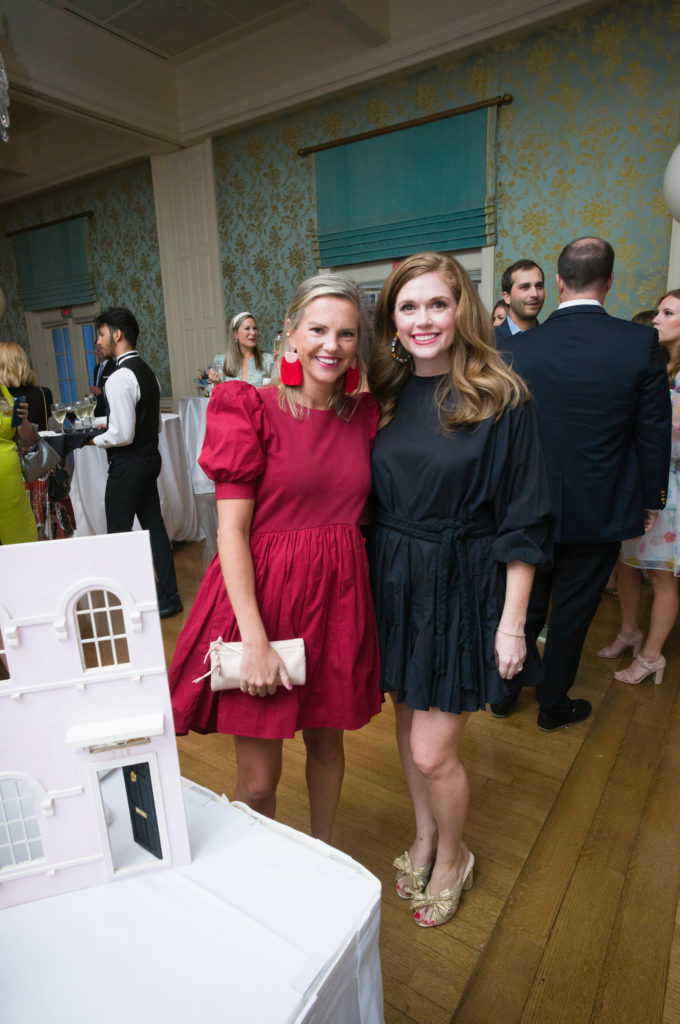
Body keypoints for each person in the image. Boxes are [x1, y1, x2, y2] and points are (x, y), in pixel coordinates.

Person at [367, 252, 553, 928]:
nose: (422, 320)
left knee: (431, 749)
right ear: (391, 318)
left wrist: (513, 623)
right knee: (405, 721)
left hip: (463, 581)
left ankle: (455, 855)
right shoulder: (384, 390)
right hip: (395, 577)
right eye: (408, 307)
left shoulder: (501, 394)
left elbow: (526, 516)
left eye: (436, 304)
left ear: (462, 309)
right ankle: (424, 835)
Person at [169, 275, 380, 845]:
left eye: (346, 333)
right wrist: (255, 640)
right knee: (259, 783)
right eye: (317, 330)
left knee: (328, 748)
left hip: (337, 596)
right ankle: (255, 878)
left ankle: (321, 858)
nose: (330, 345)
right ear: (290, 333)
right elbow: (231, 533)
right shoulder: (248, 408)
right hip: (266, 599)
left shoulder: (364, 416)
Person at [496, 238, 671, 729]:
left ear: (557, 282)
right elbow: (652, 430)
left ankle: (504, 692)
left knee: (523, 600)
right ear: (609, 280)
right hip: (603, 503)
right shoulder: (639, 342)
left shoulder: (513, 346)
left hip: (527, 503)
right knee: (574, 610)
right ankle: (553, 705)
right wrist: (652, 498)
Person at [598, 290, 680, 685]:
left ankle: (651, 656)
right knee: (626, 563)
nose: (656, 319)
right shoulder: (652, 368)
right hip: (634, 479)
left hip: (671, 488)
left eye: (667, 313)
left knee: (661, 577)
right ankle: (629, 632)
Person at [91, 307, 182, 618]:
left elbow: (122, 434)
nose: (98, 342)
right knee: (154, 528)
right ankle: (169, 598)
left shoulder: (119, 377)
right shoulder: (148, 372)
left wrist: (94, 438)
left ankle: (132, 603)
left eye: (101, 335)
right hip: (149, 460)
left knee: (118, 534)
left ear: (117, 335)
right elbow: (154, 425)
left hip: (128, 465)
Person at [0, 341, 75, 540]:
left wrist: (22, 421)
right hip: (38, 469)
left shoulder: (7, 396)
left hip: (24, 474)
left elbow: (26, 437)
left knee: (29, 536)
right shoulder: (43, 393)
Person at [0, 363, 39, 545]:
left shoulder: (4, 393)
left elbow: (27, 439)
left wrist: (23, 420)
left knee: (22, 546)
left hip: (12, 489)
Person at [208, 312, 274, 386]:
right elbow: (216, 395)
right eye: (247, 328)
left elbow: (277, 392)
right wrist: (216, 383)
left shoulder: (268, 361)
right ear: (235, 334)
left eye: (255, 328)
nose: (253, 333)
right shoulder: (222, 361)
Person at [495, 259, 545, 341]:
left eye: (539, 286)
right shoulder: (489, 343)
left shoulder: (551, 338)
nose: (535, 294)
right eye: (525, 287)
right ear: (507, 297)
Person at [91, 349, 117, 418]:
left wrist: (102, 390)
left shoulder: (115, 366)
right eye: (96, 349)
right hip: (98, 411)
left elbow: (118, 388)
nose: (97, 351)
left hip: (111, 409)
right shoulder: (96, 368)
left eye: (100, 348)